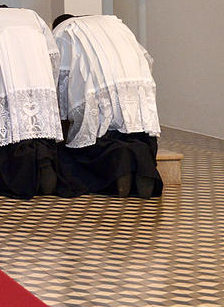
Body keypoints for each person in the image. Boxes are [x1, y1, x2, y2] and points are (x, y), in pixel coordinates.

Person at [52, 14, 162, 198]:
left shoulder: (63, 31)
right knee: (135, 135)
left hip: (98, 90)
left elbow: (59, 81)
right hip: (136, 84)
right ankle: (144, 170)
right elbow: (146, 59)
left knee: (88, 141)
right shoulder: (114, 23)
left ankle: (120, 173)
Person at [0, 5, 70, 199]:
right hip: (40, 80)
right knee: (38, 130)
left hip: (4, 82)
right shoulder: (33, 16)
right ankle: (44, 164)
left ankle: (23, 177)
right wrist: (49, 85)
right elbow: (53, 56)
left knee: (10, 133)